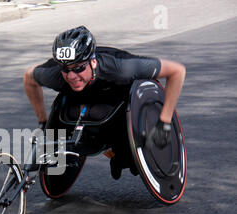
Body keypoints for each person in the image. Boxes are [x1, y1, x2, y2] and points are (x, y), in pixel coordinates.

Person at [23, 26, 186, 180]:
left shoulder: (121, 67)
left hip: (119, 102)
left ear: (92, 62)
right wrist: (43, 121)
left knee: (126, 156)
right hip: (82, 103)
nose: (71, 76)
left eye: (78, 68)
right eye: (65, 69)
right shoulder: (55, 74)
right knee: (65, 126)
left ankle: (122, 153)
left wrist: (164, 122)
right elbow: (28, 78)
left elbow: (177, 71)